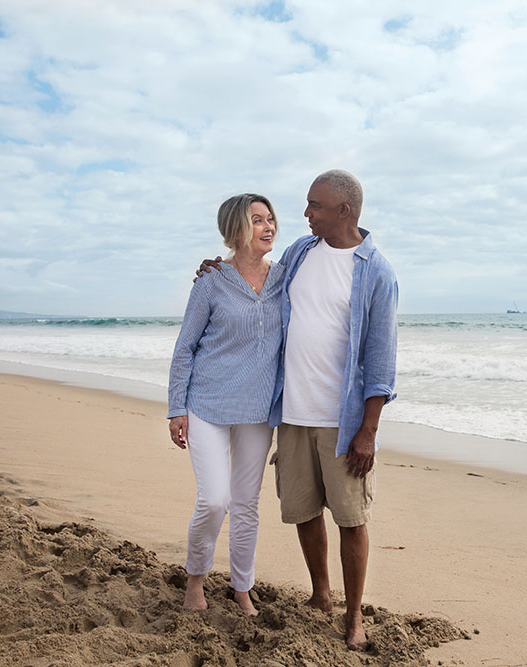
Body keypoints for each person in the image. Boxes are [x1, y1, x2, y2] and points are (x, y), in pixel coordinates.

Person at [199, 170, 398, 650]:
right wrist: (217, 267)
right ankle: (321, 595)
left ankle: (354, 616)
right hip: (289, 413)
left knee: (350, 519)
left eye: (315, 206)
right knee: (304, 511)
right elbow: (255, 274)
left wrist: (368, 431)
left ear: (344, 211)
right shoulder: (300, 254)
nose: (305, 214)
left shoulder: (376, 271)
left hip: (342, 421)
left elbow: (381, 360)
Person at [167, 193, 284, 616]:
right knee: (214, 500)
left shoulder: (285, 277)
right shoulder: (211, 280)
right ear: (235, 228)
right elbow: (185, 348)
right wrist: (175, 407)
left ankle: (241, 588)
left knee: (247, 503)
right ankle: (195, 582)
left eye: (270, 219)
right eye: (257, 220)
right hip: (207, 404)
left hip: (257, 409)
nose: (269, 226)